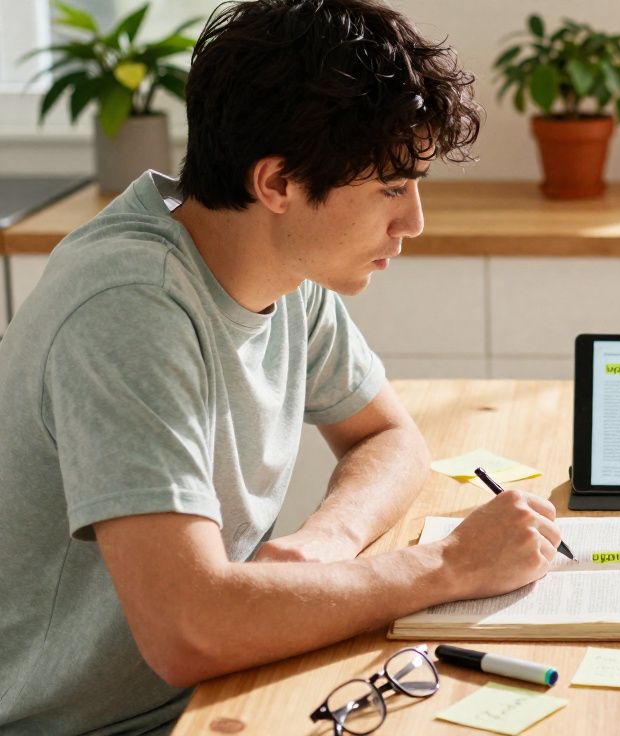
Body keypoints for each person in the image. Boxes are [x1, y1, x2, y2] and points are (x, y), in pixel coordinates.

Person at [0, 1, 562, 733]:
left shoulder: (276, 267)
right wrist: (450, 565)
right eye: (391, 187)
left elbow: (389, 437)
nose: (414, 221)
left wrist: (321, 542)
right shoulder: (128, 311)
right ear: (276, 184)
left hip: (222, 685)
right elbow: (189, 628)